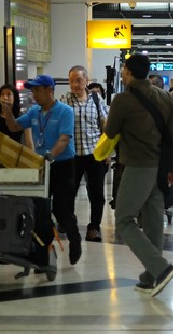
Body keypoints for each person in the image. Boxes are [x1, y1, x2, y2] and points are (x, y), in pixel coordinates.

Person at [103, 55, 173, 297]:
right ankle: (150, 276)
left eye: (123, 69)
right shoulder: (165, 96)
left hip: (138, 165)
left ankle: (160, 269)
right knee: (153, 219)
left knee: (123, 219)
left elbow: (110, 131)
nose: (122, 73)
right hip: (161, 167)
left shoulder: (122, 100)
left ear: (129, 72)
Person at [2, 75, 82, 265]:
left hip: (63, 166)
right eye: (33, 91)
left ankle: (75, 238)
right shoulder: (34, 112)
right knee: (40, 210)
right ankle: (41, 255)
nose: (34, 94)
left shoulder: (65, 111)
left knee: (62, 210)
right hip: (42, 166)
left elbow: (64, 139)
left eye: (37, 90)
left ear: (49, 90)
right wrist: (8, 113)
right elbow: (14, 127)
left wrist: (51, 155)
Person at [66, 65, 109, 243]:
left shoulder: (97, 100)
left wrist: (107, 152)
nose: (75, 84)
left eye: (78, 80)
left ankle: (94, 227)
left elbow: (105, 126)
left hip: (94, 155)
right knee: (69, 192)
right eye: (71, 81)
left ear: (86, 80)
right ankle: (68, 221)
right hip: (73, 155)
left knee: (96, 193)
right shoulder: (65, 101)